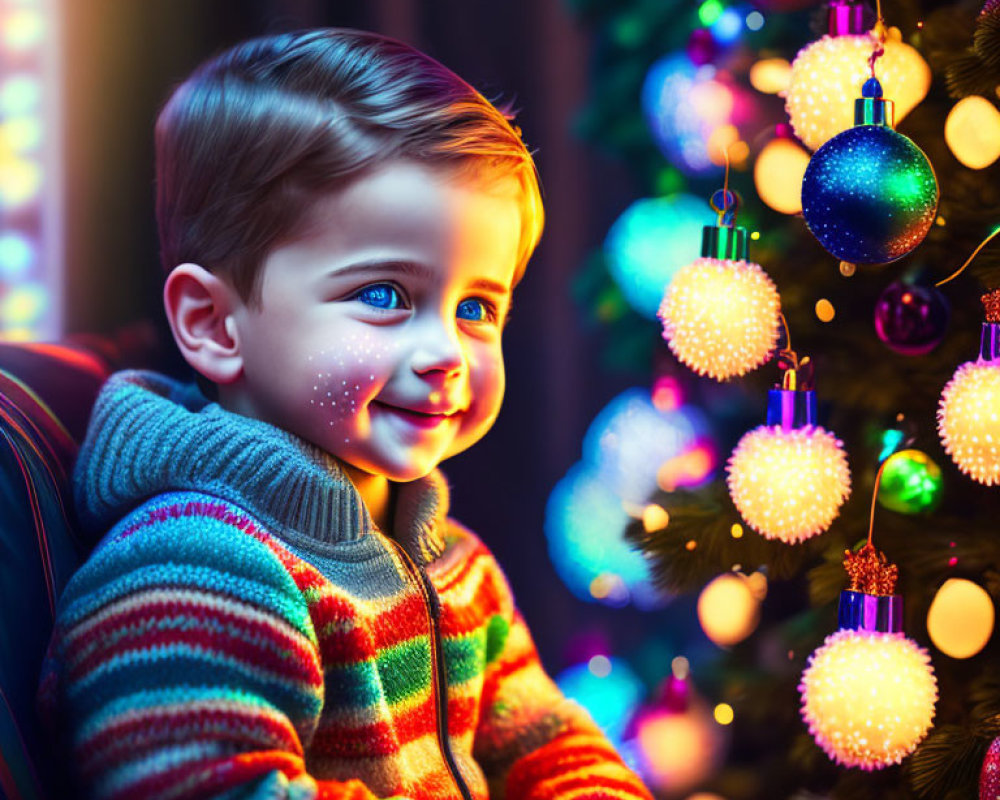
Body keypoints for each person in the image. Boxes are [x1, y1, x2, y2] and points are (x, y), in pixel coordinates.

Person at [37, 28, 653, 800]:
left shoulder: (451, 561)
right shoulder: (197, 566)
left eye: (475, 306)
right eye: (386, 296)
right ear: (213, 325)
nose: (447, 353)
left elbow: (550, 746)